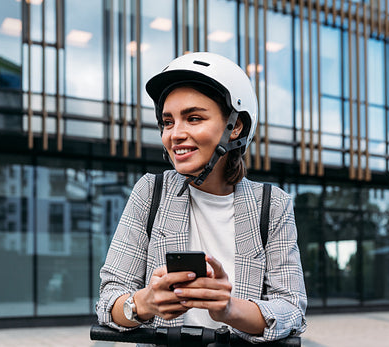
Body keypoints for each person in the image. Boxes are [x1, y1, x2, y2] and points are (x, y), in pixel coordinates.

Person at [96, 52, 307, 343]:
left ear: (235, 127)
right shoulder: (149, 192)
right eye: (168, 122)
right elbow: (109, 300)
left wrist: (229, 309)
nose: (175, 134)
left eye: (193, 118)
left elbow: (291, 309)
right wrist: (142, 304)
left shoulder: (273, 205)